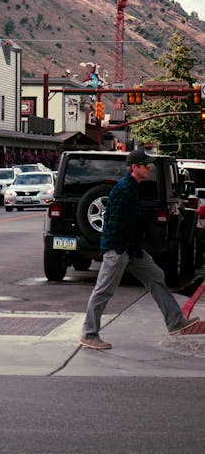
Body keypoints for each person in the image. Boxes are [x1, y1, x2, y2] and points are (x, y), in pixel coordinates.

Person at [80, 148, 199, 350]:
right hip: (118, 249)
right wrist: (118, 251)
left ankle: (175, 321)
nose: (149, 168)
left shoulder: (134, 187)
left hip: (132, 249)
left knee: (156, 276)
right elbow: (114, 223)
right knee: (104, 290)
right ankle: (89, 334)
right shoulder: (124, 189)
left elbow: (133, 220)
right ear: (134, 168)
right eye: (145, 165)